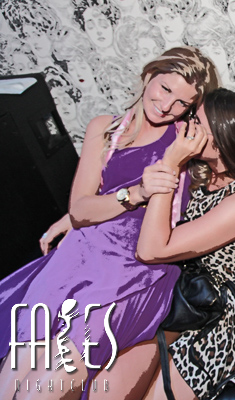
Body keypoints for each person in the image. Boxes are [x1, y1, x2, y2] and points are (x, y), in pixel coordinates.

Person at [0, 46, 219, 399]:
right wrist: (135, 193)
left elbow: (229, 160)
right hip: (78, 257)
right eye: (165, 88)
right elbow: (80, 209)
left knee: (37, 391)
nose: (167, 106)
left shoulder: (182, 142)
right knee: (10, 379)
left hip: (133, 271)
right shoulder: (105, 128)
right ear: (148, 75)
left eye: (182, 102)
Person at [136, 88, 235, 400]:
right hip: (179, 301)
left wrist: (171, 162)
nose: (187, 126)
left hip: (217, 319)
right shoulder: (200, 175)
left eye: (197, 122)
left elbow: (152, 250)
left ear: (222, 138)